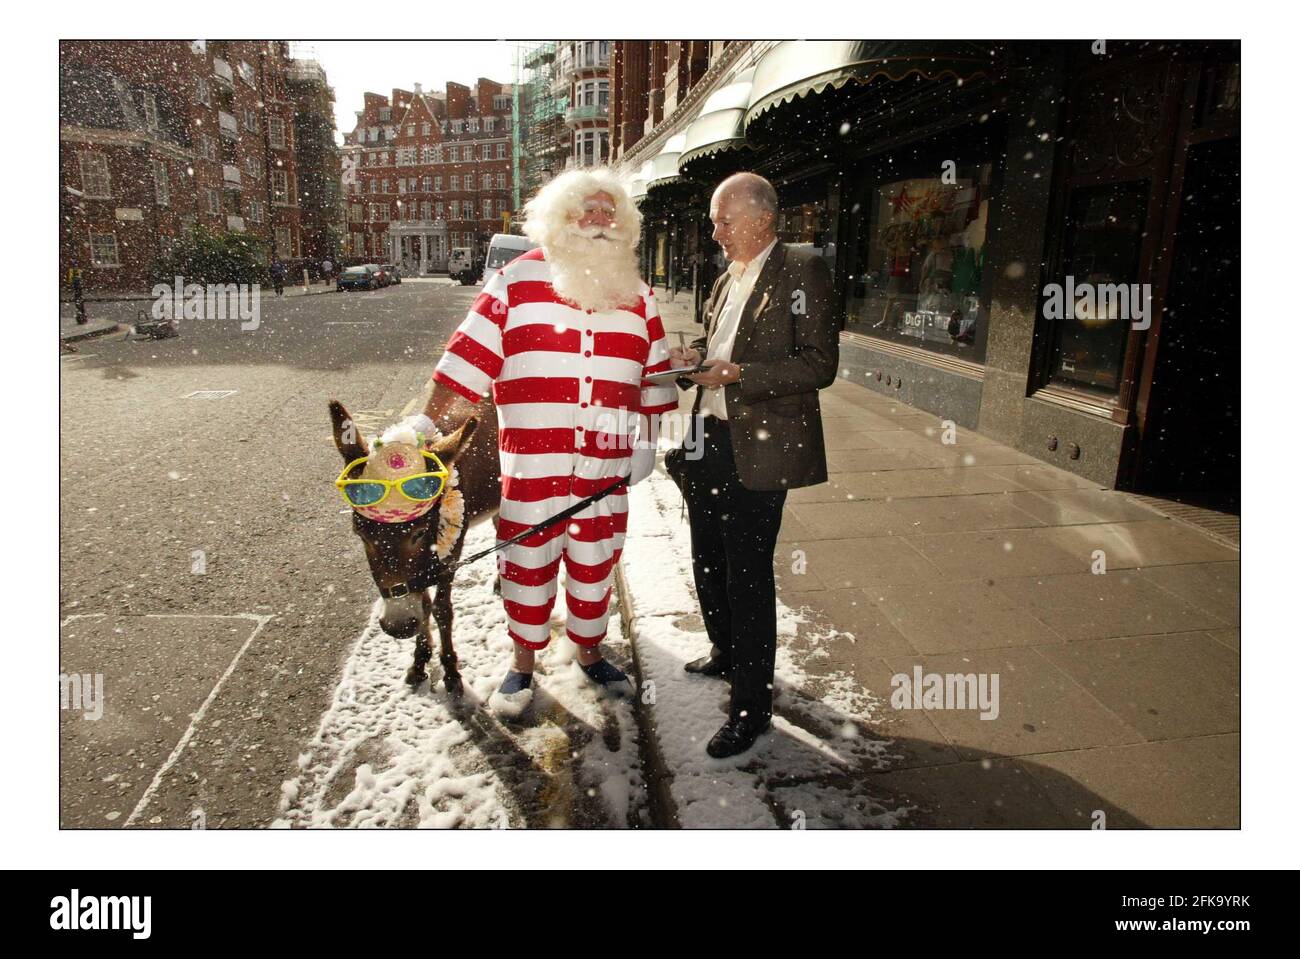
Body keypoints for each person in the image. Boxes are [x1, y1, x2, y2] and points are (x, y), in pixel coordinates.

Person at [414, 167, 678, 717]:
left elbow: (654, 377)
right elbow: (464, 367)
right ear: (561, 217)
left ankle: (589, 650)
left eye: (610, 213)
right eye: (588, 210)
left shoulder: (639, 296)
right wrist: (424, 436)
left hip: (605, 471)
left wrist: (647, 441)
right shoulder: (515, 281)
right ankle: (522, 663)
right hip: (533, 468)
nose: (599, 222)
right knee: (527, 562)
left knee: (595, 561)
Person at [667, 172, 839, 758]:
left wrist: (741, 376)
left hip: (760, 445)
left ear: (762, 218)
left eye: (724, 219)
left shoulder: (803, 268)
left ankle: (751, 708)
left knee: (747, 574)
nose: (714, 231)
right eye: (716, 220)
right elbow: (724, 352)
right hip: (707, 440)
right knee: (707, 558)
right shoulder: (723, 281)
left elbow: (819, 364)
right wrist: (696, 358)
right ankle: (724, 651)